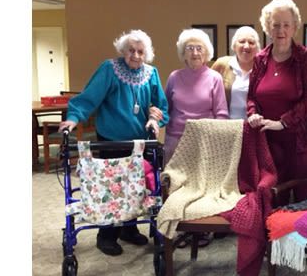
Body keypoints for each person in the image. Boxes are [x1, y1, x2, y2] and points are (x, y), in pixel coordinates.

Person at [57, 29, 169, 256]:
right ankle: (106, 235)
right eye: (131, 50)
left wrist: (155, 118)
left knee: (135, 186)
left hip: (139, 142)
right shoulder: (109, 69)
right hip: (110, 140)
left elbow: (161, 107)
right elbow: (89, 97)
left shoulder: (151, 73)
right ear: (123, 50)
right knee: (111, 188)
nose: (135, 55)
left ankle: (129, 229)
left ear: (146, 54)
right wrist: (72, 118)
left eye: (140, 51)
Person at [247, 0, 307, 203]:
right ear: (267, 27)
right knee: (273, 200)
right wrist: (253, 114)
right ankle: (275, 237)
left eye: (286, 25)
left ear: (295, 27)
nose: (281, 30)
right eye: (276, 24)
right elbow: (252, 96)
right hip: (269, 143)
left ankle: (303, 237)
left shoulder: (305, 57)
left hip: (300, 143)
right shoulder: (260, 59)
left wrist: (283, 122)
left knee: (303, 202)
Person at [163, 28, 228, 165]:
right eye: (190, 48)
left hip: (204, 141)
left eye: (199, 48)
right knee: (173, 182)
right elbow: (165, 110)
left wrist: (213, 141)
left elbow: (221, 114)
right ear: (183, 53)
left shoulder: (214, 78)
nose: (195, 53)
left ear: (206, 53)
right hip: (176, 141)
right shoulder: (174, 77)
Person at [212, 26, 260, 120]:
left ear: (257, 48)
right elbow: (206, 91)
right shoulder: (222, 64)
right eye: (241, 41)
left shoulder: (262, 67)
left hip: (254, 126)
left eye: (251, 42)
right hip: (226, 126)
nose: (246, 46)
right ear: (234, 46)